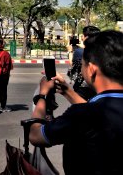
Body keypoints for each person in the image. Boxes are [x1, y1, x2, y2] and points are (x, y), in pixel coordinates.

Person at [29, 30, 123, 175]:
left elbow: (36, 136)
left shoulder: (82, 115)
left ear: (91, 70)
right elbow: (91, 110)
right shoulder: (92, 111)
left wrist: (41, 95)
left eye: (83, 64)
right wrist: (67, 91)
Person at [66, 25, 100, 101]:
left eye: (83, 36)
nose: (81, 38)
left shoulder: (79, 52)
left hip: (82, 86)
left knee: (81, 109)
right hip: (98, 86)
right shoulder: (101, 51)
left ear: (86, 37)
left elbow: (73, 65)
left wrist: (70, 51)